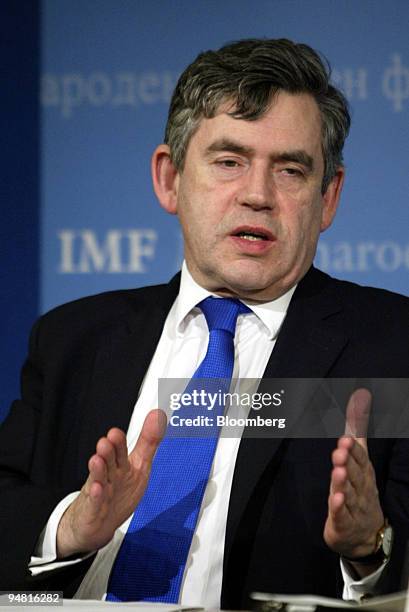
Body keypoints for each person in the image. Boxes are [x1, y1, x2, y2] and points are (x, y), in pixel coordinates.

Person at [0, 38, 408, 609]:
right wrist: (70, 527)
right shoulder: (73, 339)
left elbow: (390, 556)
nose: (259, 195)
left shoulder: (393, 346)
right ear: (170, 178)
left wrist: (370, 548)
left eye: (291, 170)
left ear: (328, 197)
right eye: (229, 161)